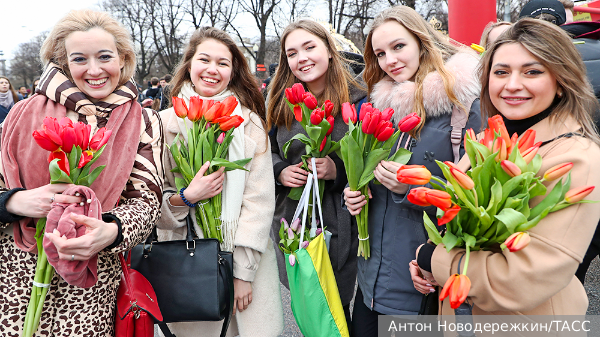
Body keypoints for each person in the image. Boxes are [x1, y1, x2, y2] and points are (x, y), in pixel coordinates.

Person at [413, 18, 600, 320]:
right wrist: (432, 260)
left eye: (532, 71)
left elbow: (525, 277)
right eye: (501, 72)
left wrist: (433, 259)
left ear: (563, 81)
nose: (512, 85)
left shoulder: (577, 157)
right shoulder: (490, 141)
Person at [0, 9, 164, 336]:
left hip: (90, 282)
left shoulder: (143, 121)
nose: (94, 70)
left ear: (123, 59)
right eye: (79, 59)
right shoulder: (21, 113)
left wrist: (111, 231)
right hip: (15, 277)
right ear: (62, 62)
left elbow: (148, 200)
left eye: (104, 56)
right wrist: (14, 202)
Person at [343, 5, 481, 336]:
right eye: (380, 53)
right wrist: (357, 195)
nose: (390, 59)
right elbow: (372, 183)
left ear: (421, 41)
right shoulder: (379, 107)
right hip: (370, 277)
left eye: (398, 46)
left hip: (421, 277)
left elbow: (475, 197)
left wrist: (409, 189)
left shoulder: (460, 106)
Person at [156, 26, 283, 337]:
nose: (213, 70)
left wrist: (243, 272)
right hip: (188, 261)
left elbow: (259, 200)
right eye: (204, 60)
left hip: (244, 258)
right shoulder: (162, 124)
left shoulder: (248, 123)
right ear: (189, 65)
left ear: (232, 71)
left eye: (223, 63)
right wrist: (186, 197)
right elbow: (150, 198)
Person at [266, 18, 367, 328]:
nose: (302, 58)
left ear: (330, 50)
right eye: (292, 53)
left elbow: (369, 160)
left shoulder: (358, 98)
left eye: (310, 47)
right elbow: (264, 153)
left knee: (335, 309)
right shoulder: (281, 102)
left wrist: (336, 170)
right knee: (308, 304)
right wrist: (280, 170)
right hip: (294, 218)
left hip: (339, 220)